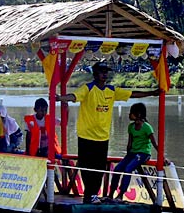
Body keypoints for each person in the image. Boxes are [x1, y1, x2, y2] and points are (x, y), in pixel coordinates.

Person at [59, 61, 160, 204]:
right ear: (95, 74)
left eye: (106, 72)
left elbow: (132, 94)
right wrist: (60, 98)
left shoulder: (111, 91)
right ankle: (89, 195)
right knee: (86, 167)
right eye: (102, 72)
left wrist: (152, 93)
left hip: (102, 138)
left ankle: (94, 194)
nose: (105, 74)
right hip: (86, 136)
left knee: (100, 168)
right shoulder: (88, 89)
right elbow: (74, 96)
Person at [108, 103, 159, 200]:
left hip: (143, 154)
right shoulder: (131, 127)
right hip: (132, 153)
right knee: (117, 169)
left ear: (138, 114)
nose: (129, 115)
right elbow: (129, 143)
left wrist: (162, 157)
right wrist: (127, 157)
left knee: (128, 169)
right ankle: (111, 193)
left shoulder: (147, 127)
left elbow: (154, 143)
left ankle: (121, 194)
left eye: (131, 113)